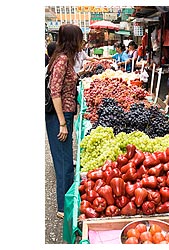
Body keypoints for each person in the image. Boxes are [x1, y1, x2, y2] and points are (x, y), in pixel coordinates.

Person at [45, 24, 83, 219]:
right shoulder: (61, 60)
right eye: (80, 38)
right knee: (64, 164)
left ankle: (65, 204)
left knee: (65, 161)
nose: (82, 42)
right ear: (73, 39)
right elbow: (55, 92)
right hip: (59, 116)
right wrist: (62, 123)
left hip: (64, 115)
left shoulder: (64, 59)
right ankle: (64, 208)